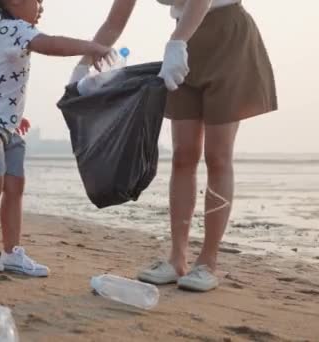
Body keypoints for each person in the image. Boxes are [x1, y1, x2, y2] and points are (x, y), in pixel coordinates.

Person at [73, 0, 277, 291]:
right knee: (183, 155)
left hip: (227, 36)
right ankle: (177, 258)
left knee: (217, 155)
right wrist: (81, 69)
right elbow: (113, 23)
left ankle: (207, 262)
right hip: (183, 40)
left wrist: (176, 43)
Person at [0, 0, 113, 276]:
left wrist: (15, 114)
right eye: (37, 0)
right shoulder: (12, 29)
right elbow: (51, 45)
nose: (42, 7)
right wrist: (90, 46)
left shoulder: (15, 31)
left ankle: (12, 252)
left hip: (5, 122)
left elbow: (2, 80)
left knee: (15, 186)